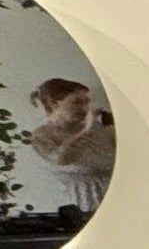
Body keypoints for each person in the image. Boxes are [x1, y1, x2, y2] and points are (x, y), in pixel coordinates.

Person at [25, 78, 115, 208]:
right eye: (76, 102)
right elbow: (61, 160)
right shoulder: (41, 135)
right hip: (77, 203)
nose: (84, 108)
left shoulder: (99, 128)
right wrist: (85, 131)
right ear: (54, 104)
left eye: (86, 103)